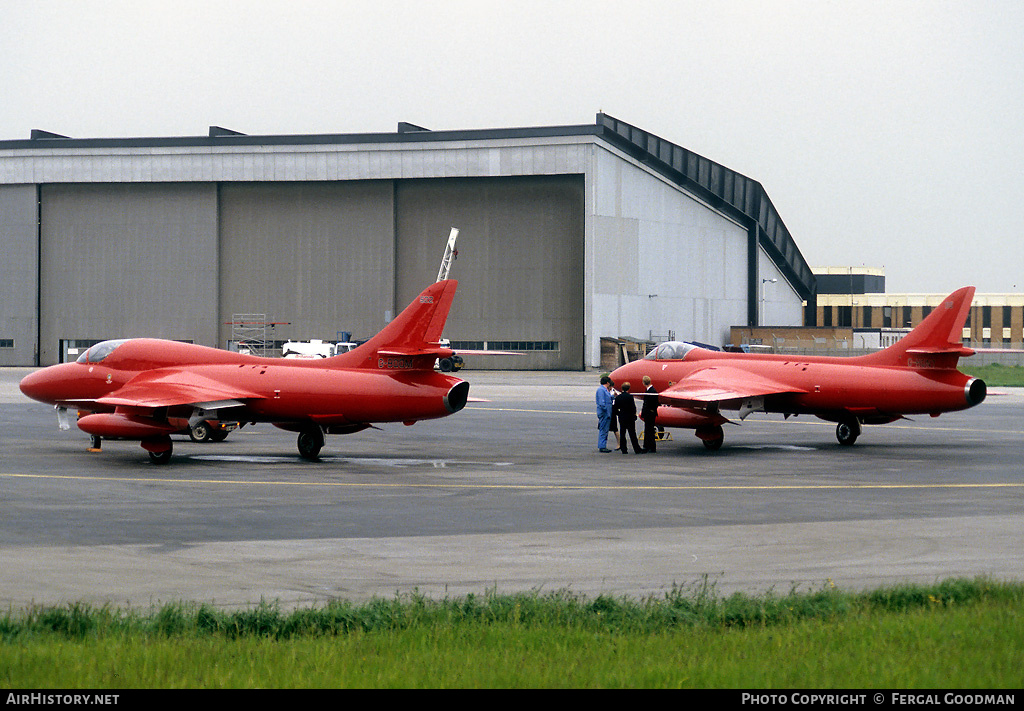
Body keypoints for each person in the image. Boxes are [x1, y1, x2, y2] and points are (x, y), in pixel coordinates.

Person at [612, 382, 643, 454]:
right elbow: (633, 407)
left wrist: (619, 414)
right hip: (630, 417)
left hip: (622, 417)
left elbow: (615, 408)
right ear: (628, 389)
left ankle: (624, 449)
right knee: (632, 433)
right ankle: (636, 449)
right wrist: (634, 415)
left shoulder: (618, 398)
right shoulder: (630, 397)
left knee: (623, 433)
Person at [595, 375, 614, 453]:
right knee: (603, 429)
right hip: (604, 413)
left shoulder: (605, 390)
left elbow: (608, 398)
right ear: (607, 382)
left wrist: (613, 396)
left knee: (605, 430)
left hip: (607, 413)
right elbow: (601, 402)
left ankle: (603, 445)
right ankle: (602, 446)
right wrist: (606, 410)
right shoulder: (601, 390)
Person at [640, 375, 659, 453]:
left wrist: (646, 412)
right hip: (650, 413)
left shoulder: (651, 391)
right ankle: (650, 446)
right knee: (649, 430)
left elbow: (648, 404)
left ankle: (647, 446)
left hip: (649, 414)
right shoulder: (651, 390)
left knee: (649, 430)